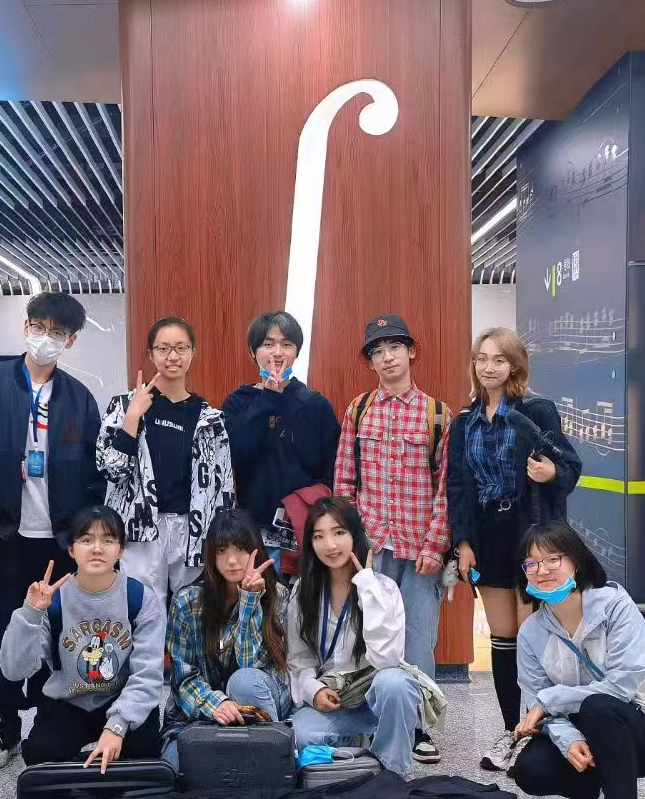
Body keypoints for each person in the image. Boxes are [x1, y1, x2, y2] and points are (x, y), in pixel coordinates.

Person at [0, 291, 104, 772]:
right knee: (2, 629)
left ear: (71, 340)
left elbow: (93, 476)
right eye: (39, 327)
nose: (46, 338)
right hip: (5, 534)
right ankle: (6, 723)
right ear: (25, 327)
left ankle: (45, 719)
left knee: (53, 631)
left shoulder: (79, 399)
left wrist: (85, 535)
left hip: (57, 540)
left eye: (57, 333)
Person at [507, 521, 645, 799]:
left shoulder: (615, 606)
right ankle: (596, 791)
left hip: (635, 730)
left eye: (553, 559)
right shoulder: (531, 632)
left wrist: (549, 701)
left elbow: (622, 684)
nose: (542, 570)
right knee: (530, 770)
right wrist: (568, 741)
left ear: (576, 561)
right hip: (584, 733)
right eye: (531, 563)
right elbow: (535, 698)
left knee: (599, 706)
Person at [446, 327, 581, 773]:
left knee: (533, 636)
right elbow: (459, 486)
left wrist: (550, 473)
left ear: (515, 366)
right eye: (482, 358)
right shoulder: (465, 420)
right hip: (488, 535)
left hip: (531, 534)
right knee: (503, 638)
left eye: (499, 359)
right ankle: (512, 732)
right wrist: (463, 543)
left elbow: (569, 466)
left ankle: (548, 730)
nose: (489, 367)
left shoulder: (535, 411)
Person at [332, 313, 451, 763]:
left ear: (411, 352)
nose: (387, 357)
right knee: (368, 635)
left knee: (418, 639)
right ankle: (372, 719)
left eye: (395, 347)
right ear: (370, 362)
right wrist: (349, 542)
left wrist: (436, 545)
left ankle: (418, 726)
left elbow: (446, 488)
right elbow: (344, 481)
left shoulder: (437, 414)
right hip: (372, 549)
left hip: (420, 548)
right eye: (378, 352)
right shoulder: (358, 409)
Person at [1, 506, 166, 770]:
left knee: (145, 753)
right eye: (87, 540)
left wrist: (117, 725)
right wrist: (31, 613)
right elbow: (14, 671)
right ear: (71, 549)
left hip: (120, 697)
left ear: (121, 550)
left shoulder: (140, 598)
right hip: (68, 701)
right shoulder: (52, 600)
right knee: (41, 755)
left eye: (108, 540)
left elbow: (148, 673)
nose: (97, 548)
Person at [286, 497, 428, 780]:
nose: (330, 545)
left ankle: (391, 774)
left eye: (339, 532)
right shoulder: (304, 591)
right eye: (319, 536)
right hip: (335, 700)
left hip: (376, 700)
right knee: (300, 735)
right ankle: (355, 746)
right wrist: (314, 690)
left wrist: (367, 589)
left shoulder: (384, 588)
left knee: (396, 683)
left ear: (355, 534)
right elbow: (299, 659)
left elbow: (387, 660)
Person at [97, 316, 235, 606]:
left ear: (192, 353)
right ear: (150, 354)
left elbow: (223, 487)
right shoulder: (123, 406)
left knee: (194, 608)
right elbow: (110, 471)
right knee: (144, 608)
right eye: (163, 349)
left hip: (192, 529)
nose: (173, 356)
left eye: (181, 348)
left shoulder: (210, 418)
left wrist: (223, 535)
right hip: (140, 528)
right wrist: (132, 419)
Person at [161, 509, 289, 771]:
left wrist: (249, 601)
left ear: (255, 549)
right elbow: (183, 677)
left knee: (244, 681)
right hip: (196, 718)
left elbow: (252, 669)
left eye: (240, 549)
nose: (231, 560)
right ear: (211, 555)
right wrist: (215, 704)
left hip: (257, 712)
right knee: (175, 770)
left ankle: (272, 761)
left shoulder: (278, 597)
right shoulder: (188, 601)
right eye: (221, 551)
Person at [221, 311, 340, 573]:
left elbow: (333, 471)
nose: (277, 353)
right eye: (268, 344)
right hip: (251, 536)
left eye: (286, 344)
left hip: (304, 536)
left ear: (296, 352)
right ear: (253, 352)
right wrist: (268, 398)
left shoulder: (315, 405)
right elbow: (234, 455)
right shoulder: (238, 402)